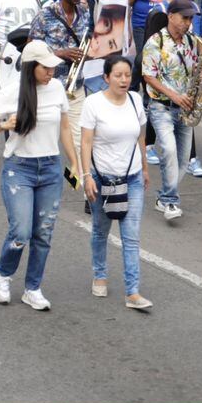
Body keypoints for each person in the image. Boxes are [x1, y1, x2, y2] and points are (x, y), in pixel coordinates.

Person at [0, 40, 74, 309]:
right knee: (21, 231)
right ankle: (2, 273)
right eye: (45, 68)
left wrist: (76, 164)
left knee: (43, 233)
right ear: (32, 67)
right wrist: (4, 124)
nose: (51, 72)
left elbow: (65, 128)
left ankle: (33, 287)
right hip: (19, 169)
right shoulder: (12, 91)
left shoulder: (56, 89)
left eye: (53, 67)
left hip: (51, 168)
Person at [80, 56, 150, 310]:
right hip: (102, 178)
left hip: (131, 177)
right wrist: (86, 176)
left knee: (131, 237)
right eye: (118, 75)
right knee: (100, 230)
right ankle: (100, 274)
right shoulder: (93, 103)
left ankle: (132, 292)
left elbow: (140, 135)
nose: (123, 80)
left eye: (127, 75)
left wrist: (144, 166)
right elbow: (86, 142)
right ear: (106, 77)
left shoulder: (135, 100)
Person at [141, 0, 202, 221]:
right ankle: (171, 202)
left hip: (186, 107)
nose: (188, 23)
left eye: (190, 19)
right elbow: (148, 75)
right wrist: (174, 96)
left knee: (182, 161)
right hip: (162, 106)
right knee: (168, 150)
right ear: (171, 16)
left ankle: (164, 197)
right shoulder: (155, 42)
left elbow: (200, 60)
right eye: (184, 18)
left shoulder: (192, 41)